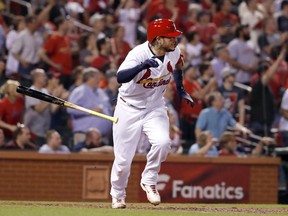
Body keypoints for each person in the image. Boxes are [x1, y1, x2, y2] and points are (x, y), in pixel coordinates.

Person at [110, 18, 194, 209]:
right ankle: (118, 195)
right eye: (170, 37)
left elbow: (179, 65)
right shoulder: (138, 54)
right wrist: (141, 66)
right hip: (128, 108)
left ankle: (149, 180)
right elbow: (119, 77)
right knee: (123, 160)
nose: (175, 40)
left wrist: (180, 88)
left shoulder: (174, 52)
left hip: (154, 107)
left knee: (164, 142)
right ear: (157, 39)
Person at [67, 67, 113, 145]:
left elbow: (108, 109)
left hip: (103, 137)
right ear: (89, 78)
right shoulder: (79, 91)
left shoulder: (101, 92)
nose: (99, 80)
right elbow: (70, 109)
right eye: (97, 77)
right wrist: (90, 111)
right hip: (84, 136)